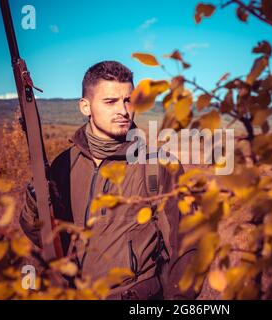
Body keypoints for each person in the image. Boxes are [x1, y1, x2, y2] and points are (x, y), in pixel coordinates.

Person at [20, 60, 197, 300]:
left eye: (128, 100)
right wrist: (36, 203)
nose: (123, 111)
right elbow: (46, 240)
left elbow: (187, 247)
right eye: (110, 101)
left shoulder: (157, 164)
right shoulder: (63, 165)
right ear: (85, 106)